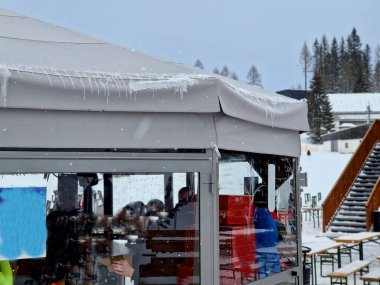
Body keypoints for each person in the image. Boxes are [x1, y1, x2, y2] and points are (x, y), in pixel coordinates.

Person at [253, 185, 281, 277]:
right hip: (272, 245)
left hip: (264, 246)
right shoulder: (268, 212)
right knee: (274, 270)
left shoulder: (259, 212)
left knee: (264, 270)